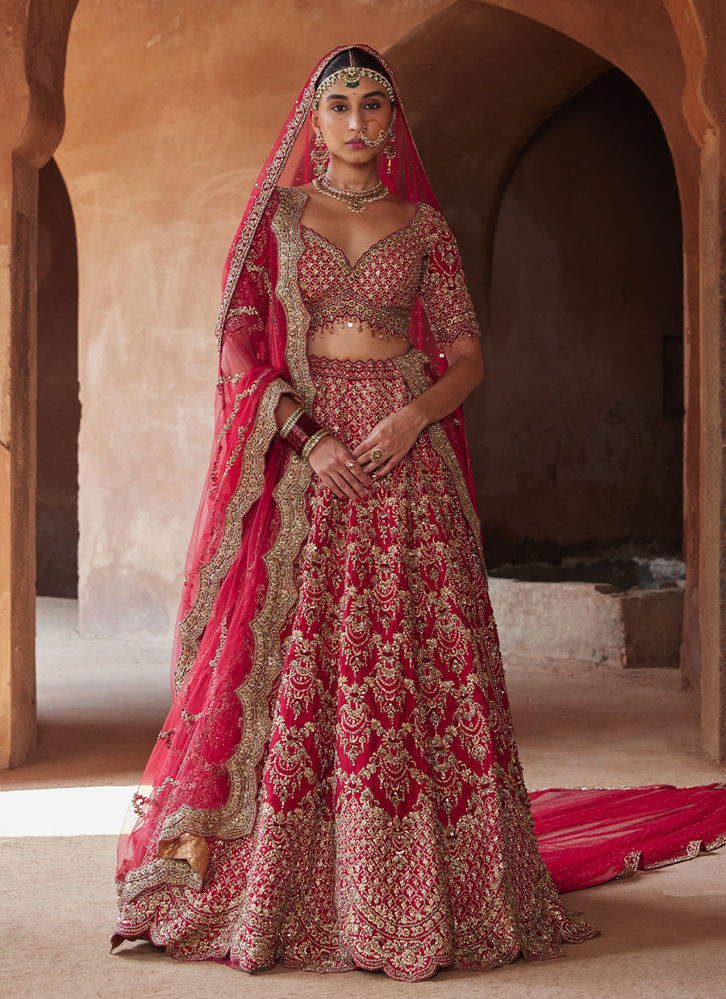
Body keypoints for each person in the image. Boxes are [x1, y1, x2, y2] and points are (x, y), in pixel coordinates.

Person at [110, 43, 726, 983]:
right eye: (340, 106)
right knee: (311, 659)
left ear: (394, 123)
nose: (357, 123)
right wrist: (308, 437)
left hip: (409, 452)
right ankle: (290, 880)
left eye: (373, 106)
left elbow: (469, 357)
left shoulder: (425, 226)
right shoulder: (278, 220)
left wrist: (413, 414)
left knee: (415, 664)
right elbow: (236, 343)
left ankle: (430, 885)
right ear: (312, 122)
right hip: (314, 459)